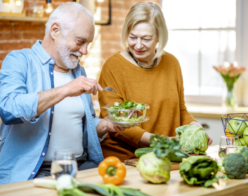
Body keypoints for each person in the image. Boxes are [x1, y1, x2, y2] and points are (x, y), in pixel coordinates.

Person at [0, 2, 126, 185]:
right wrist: (65, 90)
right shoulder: (19, 61)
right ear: (55, 30)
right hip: (35, 172)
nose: (85, 51)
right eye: (80, 41)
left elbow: (81, 126)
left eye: (88, 44)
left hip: (81, 166)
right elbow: (8, 109)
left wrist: (106, 125)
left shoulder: (78, 72)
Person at [98, 2, 213, 162]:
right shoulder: (113, 66)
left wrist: (195, 128)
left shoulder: (172, 63)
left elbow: (180, 110)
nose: (138, 45)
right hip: (125, 159)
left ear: (159, 36)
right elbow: (114, 122)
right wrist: (162, 142)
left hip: (166, 156)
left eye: (146, 38)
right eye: (132, 37)